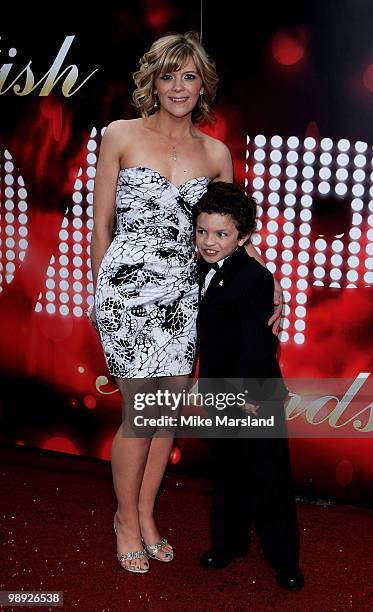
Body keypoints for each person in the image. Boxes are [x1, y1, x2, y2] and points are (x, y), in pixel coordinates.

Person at [89, 31, 283, 573]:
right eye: (168, 75)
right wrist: (98, 293)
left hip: (183, 293)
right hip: (126, 292)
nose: (178, 86)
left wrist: (270, 279)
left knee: (166, 409)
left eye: (189, 76)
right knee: (137, 412)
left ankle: (147, 515)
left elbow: (236, 230)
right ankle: (124, 519)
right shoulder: (120, 135)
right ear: (152, 80)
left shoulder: (215, 152)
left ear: (203, 86)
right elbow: (101, 225)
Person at [193, 181, 304, 590]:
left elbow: (260, 343)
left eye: (221, 234)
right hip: (220, 392)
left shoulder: (255, 278)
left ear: (243, 238)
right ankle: (227, 544)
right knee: (228, 472)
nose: (208, 241)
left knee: (269, 478)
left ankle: (284, 559)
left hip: (254, 394)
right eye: (202, 231)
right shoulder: (202, 267)